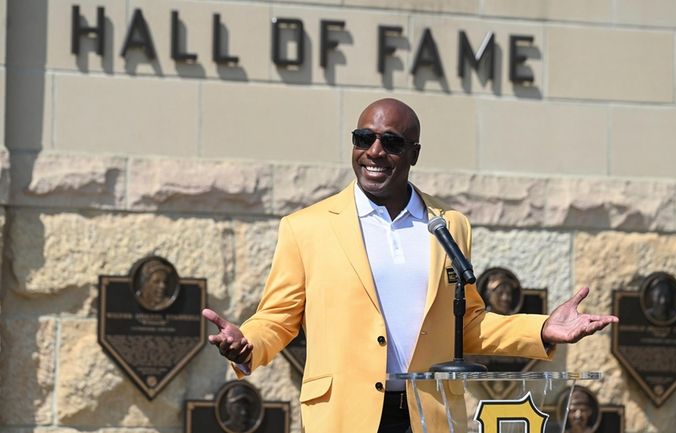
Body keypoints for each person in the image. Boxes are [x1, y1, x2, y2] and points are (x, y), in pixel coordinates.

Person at [202, 98, 618, 433]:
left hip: (429, 414)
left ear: (414, 153)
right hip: (344, 417)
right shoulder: (306, 228)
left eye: (391, 142)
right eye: (363, 138)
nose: (375, 151)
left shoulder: (447, 225)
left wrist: (542, 328)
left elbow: (466, 325)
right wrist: (248, 344)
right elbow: (279, 317)